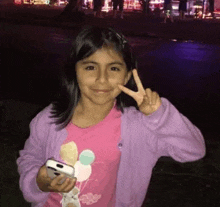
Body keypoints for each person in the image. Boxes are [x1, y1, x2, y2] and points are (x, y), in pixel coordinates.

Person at [17, 26, 206, 207]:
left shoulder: (138, 127)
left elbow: (193, 150)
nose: (102, 78)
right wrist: (38, 182)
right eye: (90, 67)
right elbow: (30, 157)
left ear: (126, 76)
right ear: (75, 72)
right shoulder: (49, 119)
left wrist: (160, 116)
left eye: (114, 68)